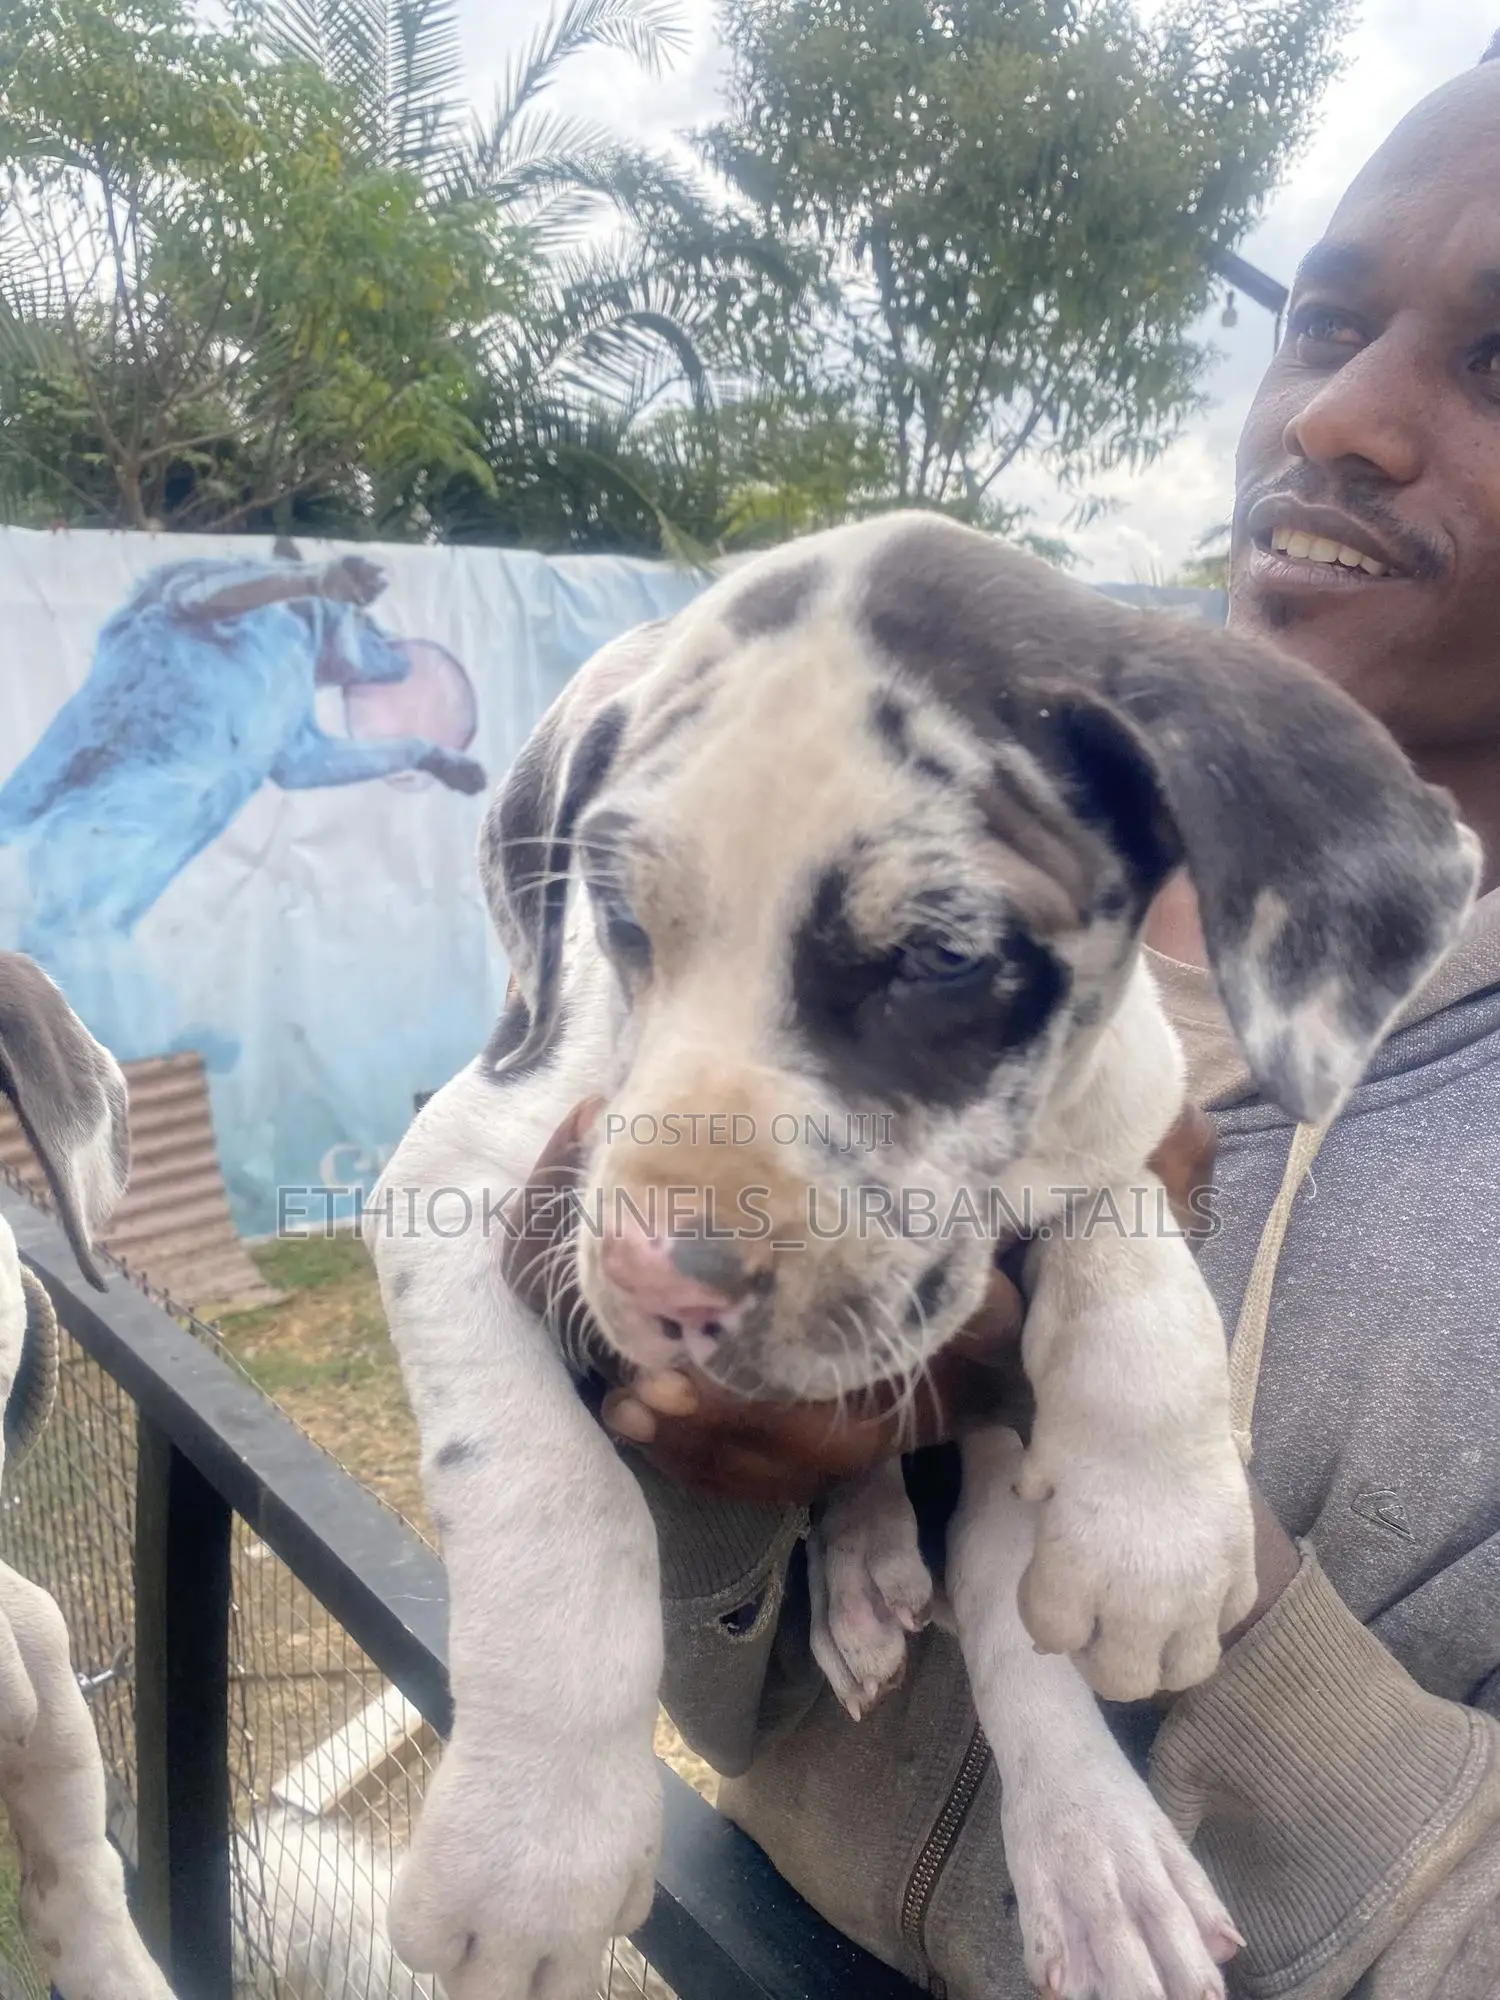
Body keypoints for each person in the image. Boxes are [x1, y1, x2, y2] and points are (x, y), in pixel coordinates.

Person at [512, 42, 1500, 2000]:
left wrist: (1163, 1503)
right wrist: (717, 1446)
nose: (1338, 416)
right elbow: (744, 1675)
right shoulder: (912, 790)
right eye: (1324, 313)